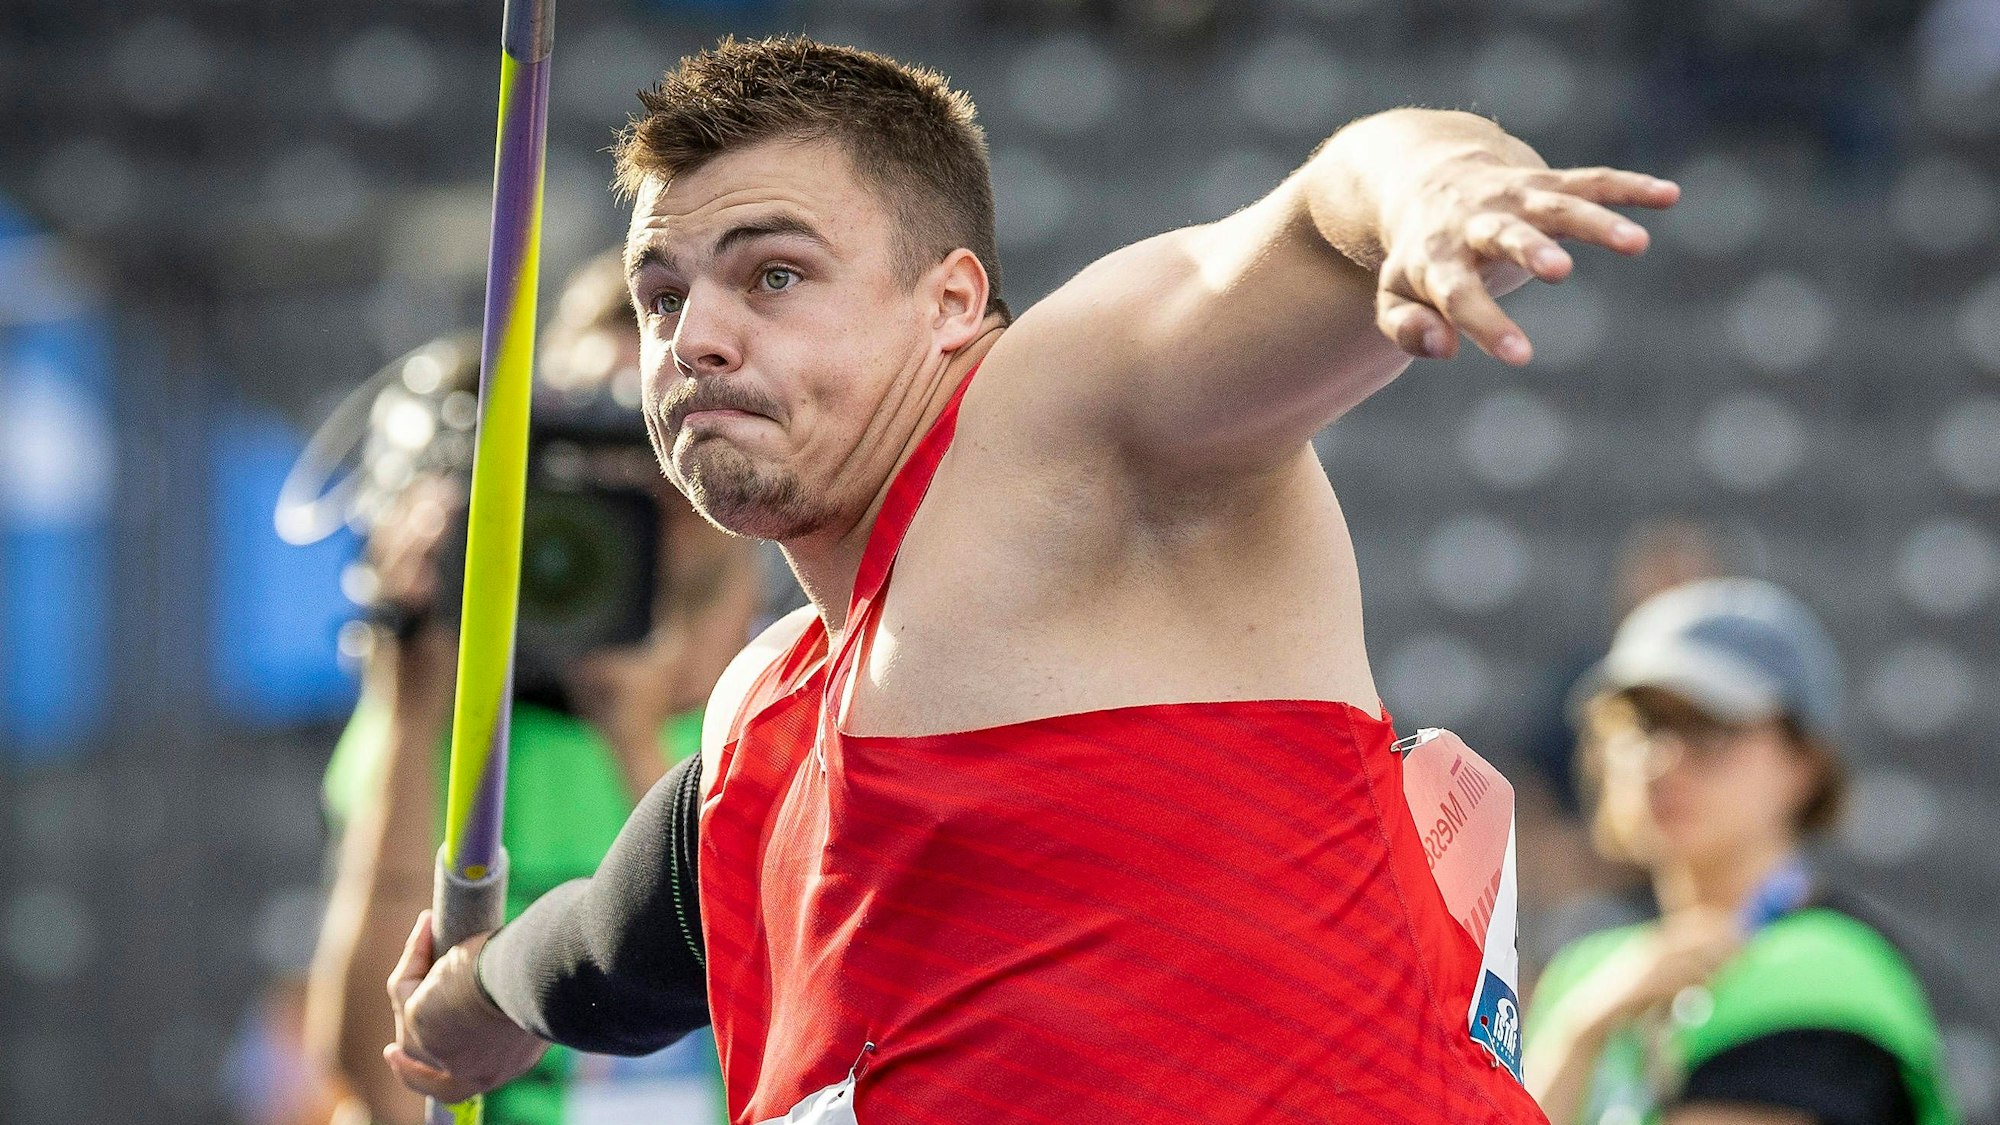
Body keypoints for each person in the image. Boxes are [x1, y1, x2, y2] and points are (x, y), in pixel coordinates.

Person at [380, 35, 1680, 1123]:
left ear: (953, 300)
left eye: (774, 275)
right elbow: (622, 943)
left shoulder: (1055, 428)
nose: (696, 339)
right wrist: (480, 996)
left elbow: (1329, 207)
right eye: (661, 296)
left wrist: (1441, 190)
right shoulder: (765, 716)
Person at [302, 253, 762, 1125]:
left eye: (649, 437)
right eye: (580, 442)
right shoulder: (455, 720)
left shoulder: (779, 722)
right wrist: (409, 710)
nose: (623, 479)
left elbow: (784, 1024)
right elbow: (381, 1077)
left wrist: (636, 743)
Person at [1523, 578, 1957, 1125]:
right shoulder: (1587, 973)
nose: (1662, 760)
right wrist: (1581, 1029)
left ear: (1804, 763)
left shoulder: (1829, 969)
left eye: (1710, 727)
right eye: (1641, 725)